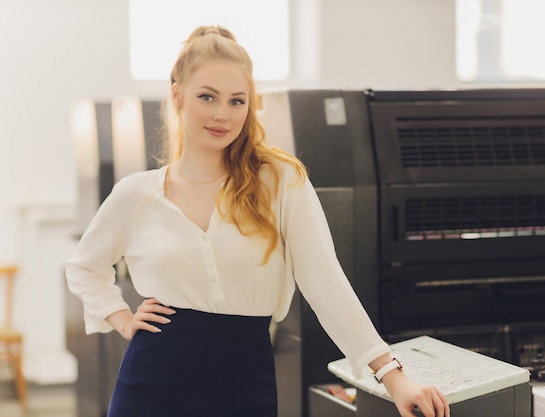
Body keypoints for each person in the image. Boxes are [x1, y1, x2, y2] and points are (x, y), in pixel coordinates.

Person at [66, 25, 450, 417]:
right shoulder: (136, 194)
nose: (222, 114)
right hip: (150, 381)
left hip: (242, 380)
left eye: (237, 101)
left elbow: (325, 283)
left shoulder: (279, 181)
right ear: (177, 94)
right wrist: (124, 320)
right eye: (207, 97)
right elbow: (84, 268)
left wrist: (392, 376)